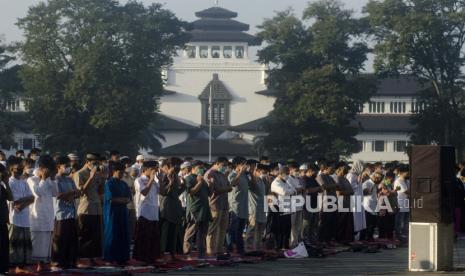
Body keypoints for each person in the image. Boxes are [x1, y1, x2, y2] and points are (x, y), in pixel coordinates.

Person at [27, 156, 57, 272]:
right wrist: (44, 179)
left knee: (47, 242)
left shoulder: (49, 179)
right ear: (41, 168)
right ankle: (38, 264)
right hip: (37, 216)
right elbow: (37, 193)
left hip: (48, 215)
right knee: (38, 242)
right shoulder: (31, 180)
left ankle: (45, 263)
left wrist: (52, 179)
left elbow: (55, 193)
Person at [74, 153, 104, 266]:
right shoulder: (79, 174)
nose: (96, 165)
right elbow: (81, 191)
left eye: (97, 163)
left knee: (95, 235)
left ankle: (91, 258)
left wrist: (103, 177)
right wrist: (90, 177)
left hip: (96, 207)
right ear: (88, 162)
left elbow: (100, 191)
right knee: (84, 234)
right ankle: (81, 259)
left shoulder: (97, 174)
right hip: (85, 208)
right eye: (94, 163)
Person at [52, 156, 80, 270]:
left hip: (72, 212)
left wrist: (71, 194)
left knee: (72, 238)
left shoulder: (69, 179)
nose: (69, 168)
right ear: (59, 167)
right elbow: (58, 195)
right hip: (61, 214)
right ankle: (58, 261)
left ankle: (71, 261)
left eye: (70, 166)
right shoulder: (55, 180)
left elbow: (77, 193)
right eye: (66, 166)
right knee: (60, 239)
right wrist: (71, 193)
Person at [8, 159, 35, 273]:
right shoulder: (9, 182)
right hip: (14, 217)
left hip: (24, 216)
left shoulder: (24, 182)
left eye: (20, 169)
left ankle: (24, 265)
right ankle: (15, 266)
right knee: (15, 243)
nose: (18, 171)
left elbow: (32, 198)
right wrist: (25, 200)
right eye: (16, 169)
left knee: (25, 243)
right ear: (11, 169)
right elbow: (14, 201)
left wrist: (23, 203)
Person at [103, 162, 132, 265]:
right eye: (120, 172)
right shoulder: (109, 183)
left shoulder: (124, 184)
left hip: (123, 212)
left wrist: (122, 200)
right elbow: (111, 199)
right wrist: (123, 200)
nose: (121, 174)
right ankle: (109, 258)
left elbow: (129, 198)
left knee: (123, 234)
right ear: (114, 171)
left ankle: (122, 257)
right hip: (112, 213)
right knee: (112, 234)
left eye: (123, 172)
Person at [133, 161, 161, 265]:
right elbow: (143, 192)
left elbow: (161, 191)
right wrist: (151, 181)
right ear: (146, 169)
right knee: (144, 237)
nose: (156, 171)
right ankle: (142, 259)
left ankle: (152, 257)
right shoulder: (139, 180)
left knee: (153, 238)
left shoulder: (154, 180)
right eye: (154, 169)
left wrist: (160, 180)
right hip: (144, 213)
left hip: (154, 213)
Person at [183, 161, 212, 259]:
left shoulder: (203, 179)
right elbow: (191, 192)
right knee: (190, 232)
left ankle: (201, 254)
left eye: (203, 168)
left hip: (204, 209)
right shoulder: (189, 178)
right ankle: (187, 253)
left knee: (203, 233)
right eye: (200, 167)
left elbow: (209, 193)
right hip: (195, 209)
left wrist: (210, 184)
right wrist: (199, 182)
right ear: (193, 168)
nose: (202, 169)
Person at [205, 157, 232, 260]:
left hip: (224, 204)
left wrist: (228, 186)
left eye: (226, 165)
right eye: (223, 165)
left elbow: (228, 185)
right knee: (212, 229)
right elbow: (214, 190)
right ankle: (210, 251)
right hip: (214, 204)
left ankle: (219, 250)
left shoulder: (222, 174)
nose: (224, 167)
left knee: (223, 229)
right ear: (217, 163)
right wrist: (227, 188)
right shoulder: (210, 173)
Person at [159, 157, 185, 261]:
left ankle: (172, 253)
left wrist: (183, 186)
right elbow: (163, 192)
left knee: (174, 231)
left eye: (178, 165)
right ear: (168, 166)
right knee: (165, 231)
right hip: (167, 205)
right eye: (175, 165)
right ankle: (161, 253)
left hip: (175, 205)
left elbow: (176, 193)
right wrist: (169, 183)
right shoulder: (165, 177)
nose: (177, 167)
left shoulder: (176, 176)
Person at [227, 157, 250, 256]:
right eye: (243, 164)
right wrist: (240, 173)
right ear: (237, 165)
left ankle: (240, 249)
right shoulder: (232, 174)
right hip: (235, 205)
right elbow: (232, 184)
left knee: (240, 230)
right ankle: (229, 248)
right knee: (232, 229)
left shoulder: (245, 175)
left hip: (244, 205)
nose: (245, 166)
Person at [270, 166, 296, 250]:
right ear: (281, 174)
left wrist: (290, 191)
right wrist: (290, 191)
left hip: (287, 209)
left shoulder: (285, 182)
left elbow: (294, 190)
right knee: (279, 229)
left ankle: (285, 246)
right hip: (279, 209)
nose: (288, 175)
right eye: (287, 174)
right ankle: (278, 246)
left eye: (288, 174)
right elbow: (284, 192)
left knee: (287, 229)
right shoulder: (275, 182)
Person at [316, 162, 339, 245]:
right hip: (325, 203)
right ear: (326, 168)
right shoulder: (320, 176)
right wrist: (334, 186)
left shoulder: (330, 177)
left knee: (331, 223)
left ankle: (328, 240)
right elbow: (324, 187)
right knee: (323, 223)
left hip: (332, 202)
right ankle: (321, 240)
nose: (333, 170)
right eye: (331, 169)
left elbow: (337, 186)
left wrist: (333, 186)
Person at [246, 163, 267, 252]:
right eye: (261, 171)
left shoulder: (261, 180)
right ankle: (248, 248)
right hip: (254, 208)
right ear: (256, 171)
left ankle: (257, 248)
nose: (263, 173)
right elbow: (252, 183)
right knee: (252, 229)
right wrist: (251, 172)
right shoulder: (251, 180)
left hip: (262, 208)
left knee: (260, 230)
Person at [334, 162, 354, 244]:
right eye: (344, 170)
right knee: (340, 222)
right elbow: (338, 192)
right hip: (341, 203)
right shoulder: (337, 179)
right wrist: (348, 192)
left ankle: (346, 238)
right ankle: (339, 238)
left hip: (348, 203)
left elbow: (352, 191)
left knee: (347, 223)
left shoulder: (345, 179)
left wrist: (348, 192)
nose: (345, 172)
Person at [346, 160, 366, 241]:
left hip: (359, 199)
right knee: (355, 219)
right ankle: (354, 237)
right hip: (354, 200)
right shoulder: (351, 175)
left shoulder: (357, 175)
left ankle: (358, 237)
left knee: (359, 219)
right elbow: (351, 187)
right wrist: (358, 181)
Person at [302, 164, 322, 245]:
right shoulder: (304, 179)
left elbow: (320, 189)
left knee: (314, 223)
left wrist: (318, 189)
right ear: (310, 170)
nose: (316, 173)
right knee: (306, 224)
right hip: (307, 204)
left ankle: (312, 239)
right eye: (315, 172)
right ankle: (304, 240)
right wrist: (317, 189)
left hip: (315, 202)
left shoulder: (314, 179)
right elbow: (307, 190)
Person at [361, 171, 384, 241]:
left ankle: (370, 237)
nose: (379, 181)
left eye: (381, 179)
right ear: (375, 177)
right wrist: (371, 189)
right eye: (379, 179)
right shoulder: (367, 183)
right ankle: (366, 238)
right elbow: (364, 192)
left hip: (373, 206)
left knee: (373, 223)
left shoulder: (374, 184)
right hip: (367, 207)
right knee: (368, 224)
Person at [287, 162, 304, 247]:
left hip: (299, 205)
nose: (297, 172)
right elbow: (294, 190)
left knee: (297, 226)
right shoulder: (288, 179)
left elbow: (301, 189)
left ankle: (296, 242)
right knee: (291, 225)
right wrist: (299, 189)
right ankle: (291, 243)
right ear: (290, 170)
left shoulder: (297, 178)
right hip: (292, 205)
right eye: (296, 170)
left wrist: (299, 189)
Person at [0, 164, 12, 274]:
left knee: (4, 245)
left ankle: (3, 268)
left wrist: (7, 183)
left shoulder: (2, 187)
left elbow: (11, 198)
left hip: (2, 220)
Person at [393, 165, 409, 243]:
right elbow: (406, 191)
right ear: (401, 172)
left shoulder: (407, 181)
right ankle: (398, 239)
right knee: (399, 224)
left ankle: (404, 239)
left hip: (407, 206)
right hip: (400, 206)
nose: (408, 173)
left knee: (406, 224)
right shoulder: (398, 181)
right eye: (406, 172)